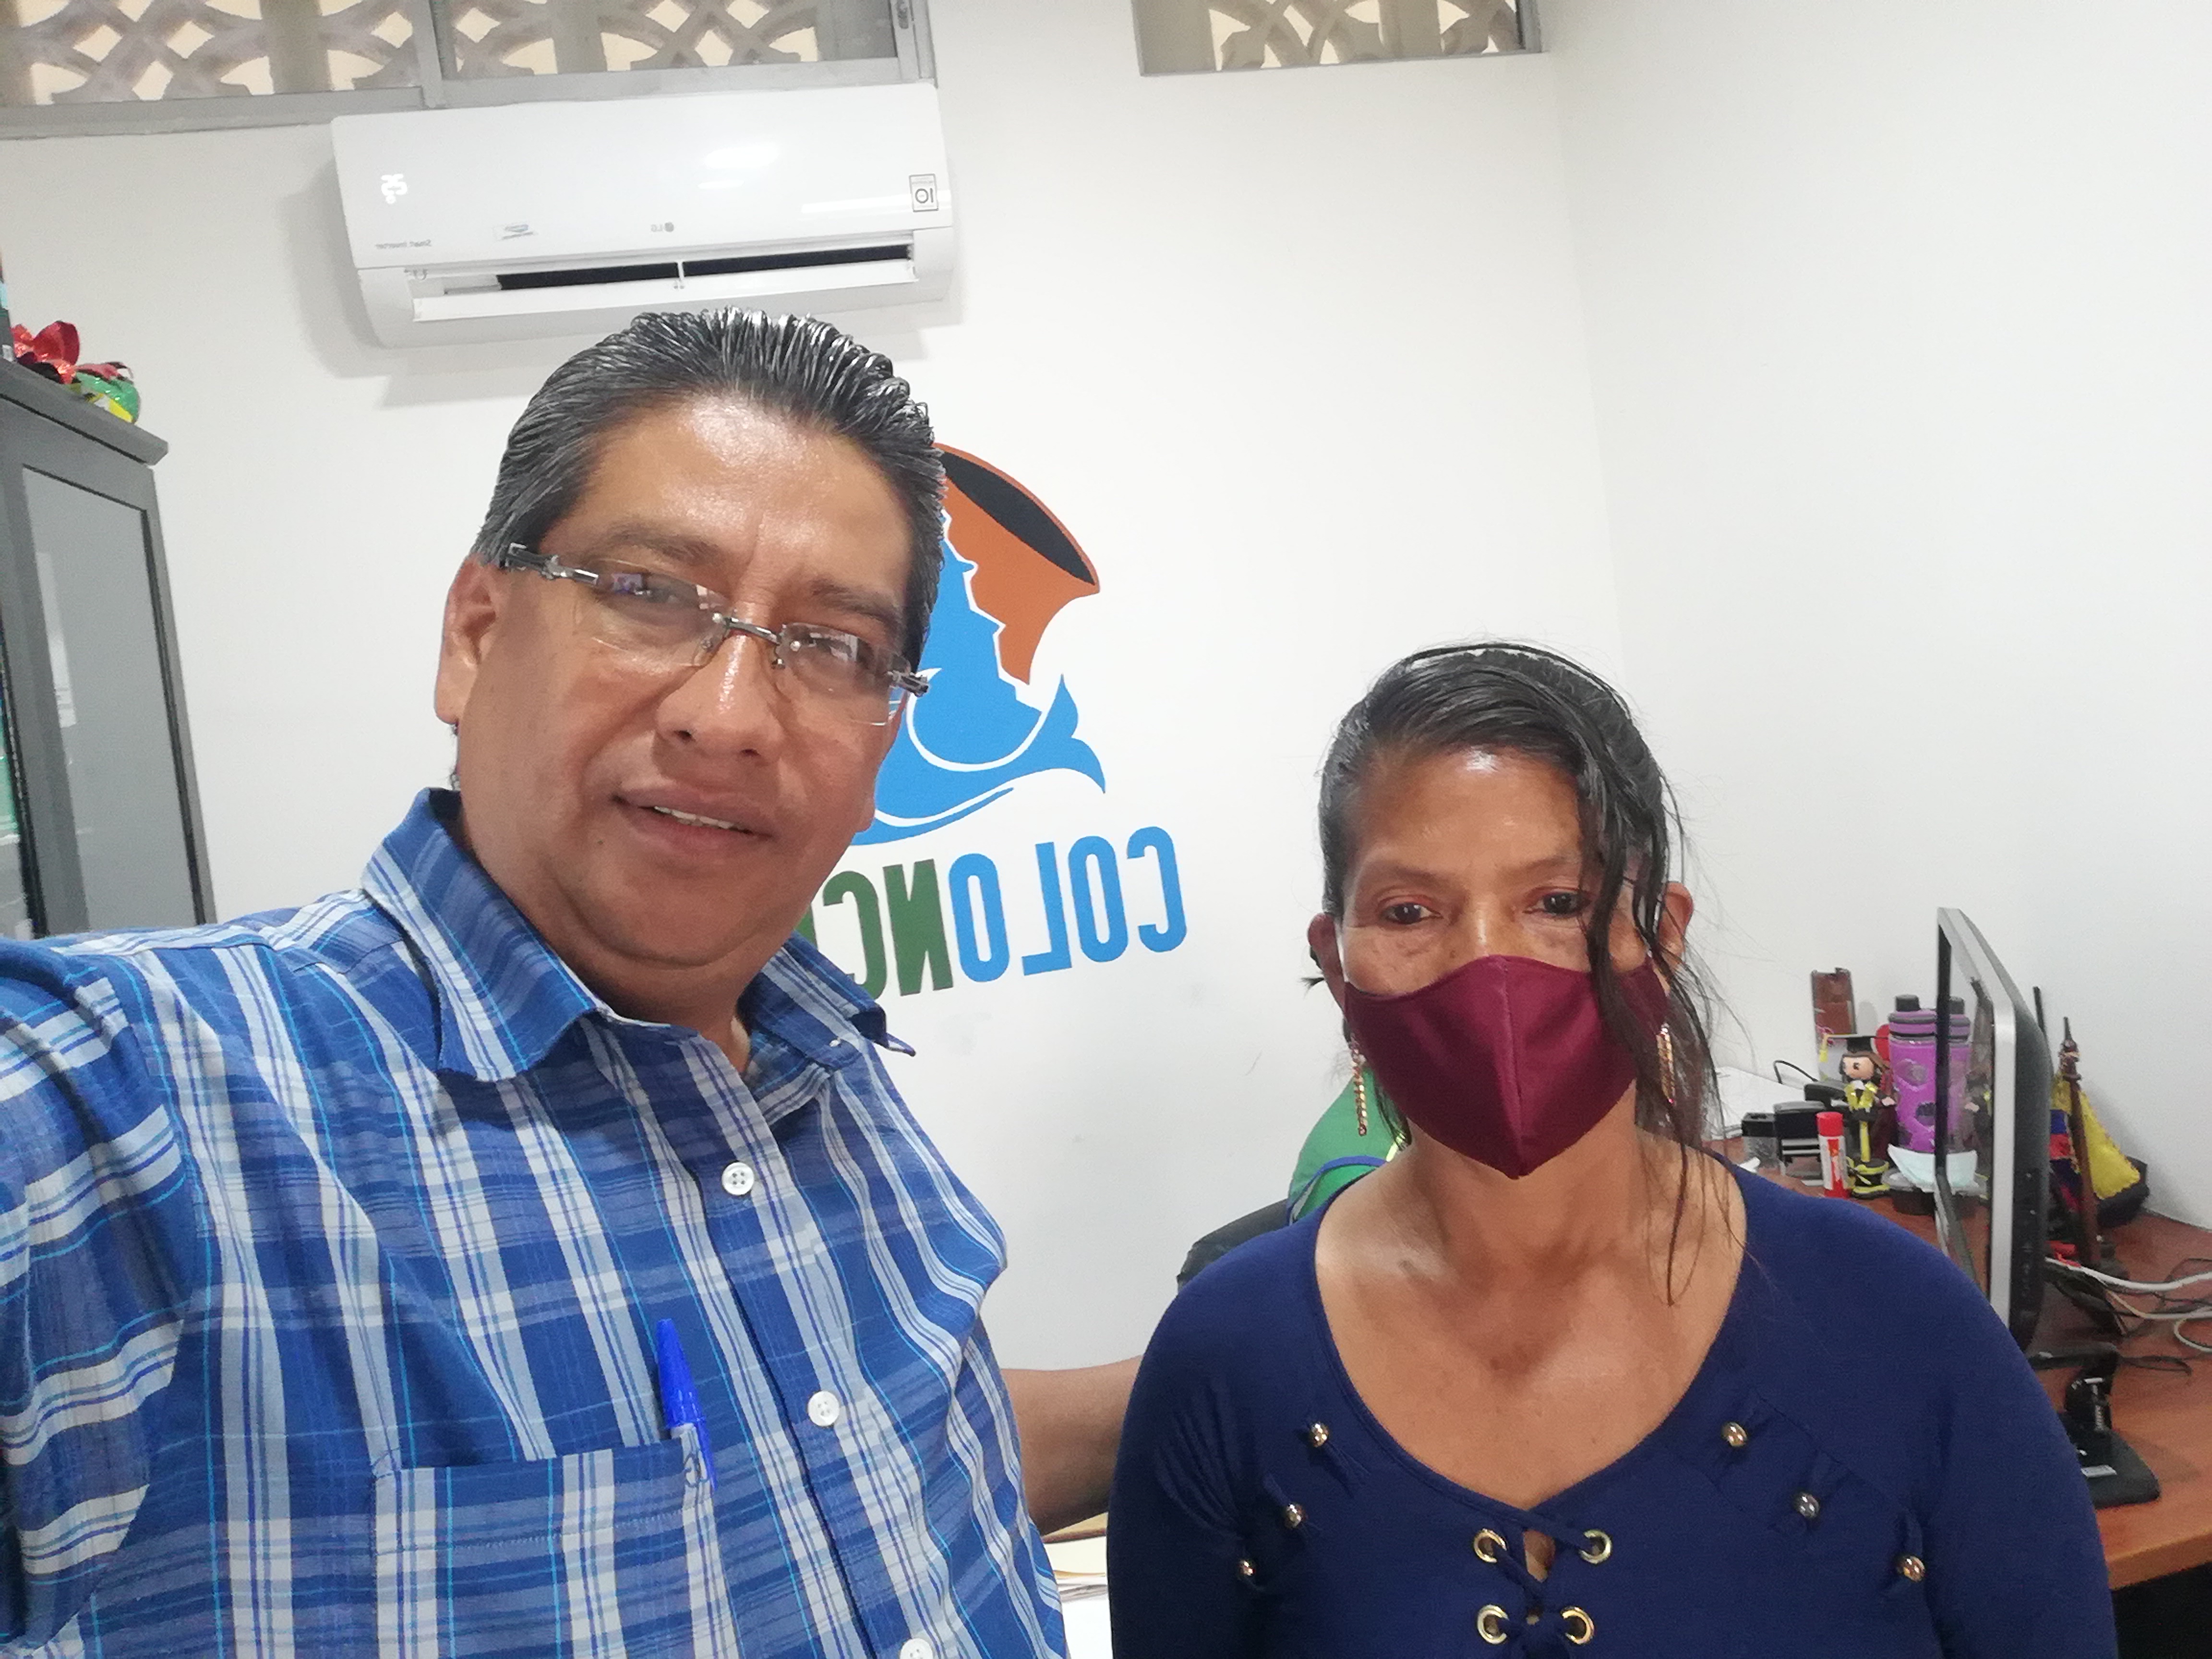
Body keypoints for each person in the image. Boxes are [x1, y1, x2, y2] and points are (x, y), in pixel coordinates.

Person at [0, 310, 1132, 1659]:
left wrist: (1288, 1330)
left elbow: (877, 1460)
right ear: (476, 634)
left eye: (833, 645)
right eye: (651, 593)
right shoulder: (136, 1100)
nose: (729, 714)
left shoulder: (820, 1055)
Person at [1109, 643, 2114, 1657]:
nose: (1488, 963)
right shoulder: (1220, 1363)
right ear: (1336, 963)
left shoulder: (1902, 1325)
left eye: (1559, 903)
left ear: (1661, 937)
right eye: (1410, 912)